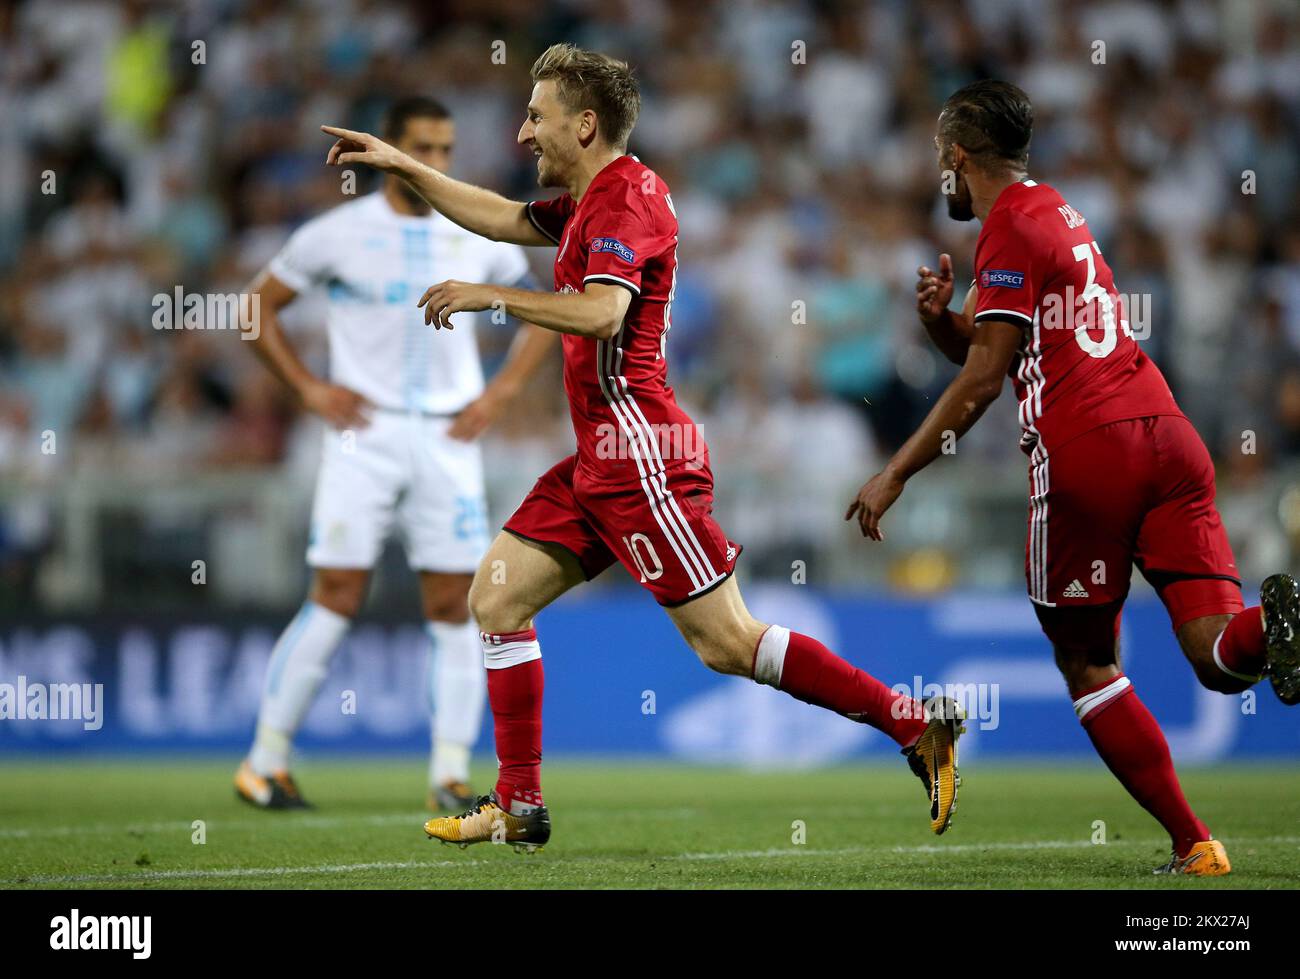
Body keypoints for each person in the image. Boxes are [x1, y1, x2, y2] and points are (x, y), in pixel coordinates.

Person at [321, 43, 965, 852]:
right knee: (496, 599)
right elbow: (500, 214)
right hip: (597, 457)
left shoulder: (625, 203)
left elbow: (600, 314)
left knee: (728, 643)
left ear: (584, 125)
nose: (522, 134)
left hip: (641, 456)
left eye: (536, 117)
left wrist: (493, 296)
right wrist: (402, 165)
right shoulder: (593, 197)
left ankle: (914, 726)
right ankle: (518, 803)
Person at [846, 79, 1300, 877]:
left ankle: (1195, 843)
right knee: (1220, 657)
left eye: (939, 160)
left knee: (1088, 662)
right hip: (1167, 434)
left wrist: (895, 471)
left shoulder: (1009, 228)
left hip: (1091, 454)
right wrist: (941, 324)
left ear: (958, 156)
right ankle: (1282, 622)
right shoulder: (1056, 210)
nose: (938, 177)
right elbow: (1012, 348)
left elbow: (987, 380)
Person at [235, 96, 556, 812]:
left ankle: (448, 772)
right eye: (422, 147)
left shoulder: (476, 230)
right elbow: (252, 309)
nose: (435, 162)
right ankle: (263, 761)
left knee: (459, 604)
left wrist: (500, 394)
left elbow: (545, 306)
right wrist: (310, 390)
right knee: (337, 594)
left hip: (449, 437)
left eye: (445, 149)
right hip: (364, 435)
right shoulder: (339, 232)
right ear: (388, 149)